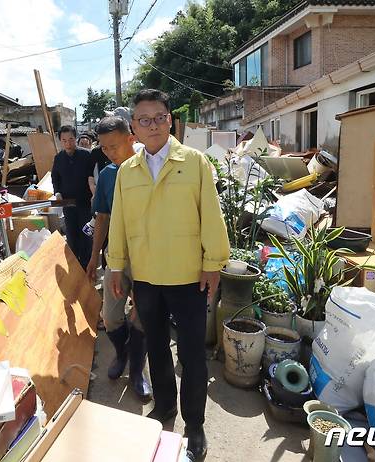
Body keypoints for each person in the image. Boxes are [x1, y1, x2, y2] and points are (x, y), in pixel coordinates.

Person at [107, 89, 229, 461]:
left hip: (189, 276)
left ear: (171, 120)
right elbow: (120, 222)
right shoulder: (127, 172)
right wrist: (116, 265)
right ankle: (164, 412)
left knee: (192, 355)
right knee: (157, 350)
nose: (153, 125)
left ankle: (195, 426)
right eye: (144, 120)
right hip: (145, 277)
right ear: (134, 129)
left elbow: (211, 212)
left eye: (160, 117)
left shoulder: (194, 163)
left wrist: (214, 262)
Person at [86, 116, 152, 402]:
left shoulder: (150, 168)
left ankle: (138, 372)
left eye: (114, 146)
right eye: (104, 148)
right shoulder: (109, 176)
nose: (110, 152)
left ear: (131, 138)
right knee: (111, 316)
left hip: (148, 256)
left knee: (141, 317)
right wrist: (93, 257)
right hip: (116, 257)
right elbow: (102, 216)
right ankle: (122, 354)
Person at [51, 125, 95, 269]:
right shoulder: (58, 158)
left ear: (75, 138)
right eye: (64, 141)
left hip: (85, 203)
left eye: (71, 139)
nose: (68, 143)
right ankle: (75, 267)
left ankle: (87, 268)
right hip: (68, 204)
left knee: (86, 235)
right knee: (71, 235)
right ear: (60, 142)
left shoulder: (86, 155)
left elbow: (93, 176)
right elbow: (55, 178)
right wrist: (57, 192)